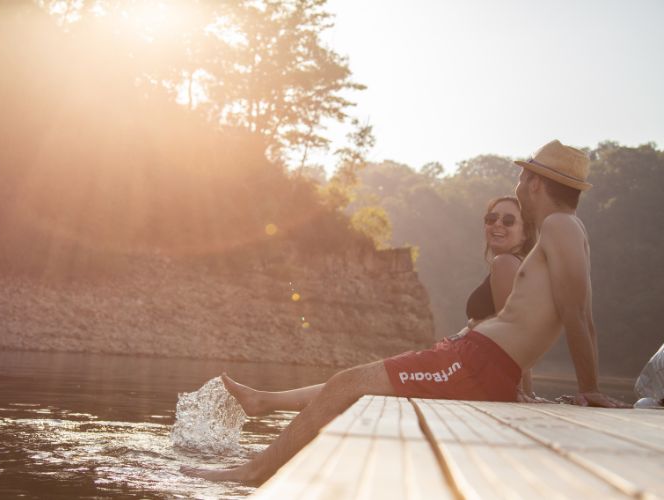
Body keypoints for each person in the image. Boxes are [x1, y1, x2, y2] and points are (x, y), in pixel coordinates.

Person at [182, 139, 630, 484]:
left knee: (345, 385)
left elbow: (576, 313)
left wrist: (589, 387)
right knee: (350, 385)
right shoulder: (570, 230)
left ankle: (252, 472)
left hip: (477, 361)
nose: (515, 187)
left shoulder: (557, 225)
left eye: (520, 179)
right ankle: (262, 448)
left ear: (534, 183)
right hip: (480, 360)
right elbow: (581, 313)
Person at [213, 195, 538, 418]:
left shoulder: (507, 264)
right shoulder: (509, 263)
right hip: (460, 364)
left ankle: (264, 404)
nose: (498, 224)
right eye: (491, 217)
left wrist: (519, 389)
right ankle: (266, 402)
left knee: (352, 383)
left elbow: (518, 332)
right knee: (354, 384)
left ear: (525, 232)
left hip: (460, 368)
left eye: (509, 220)